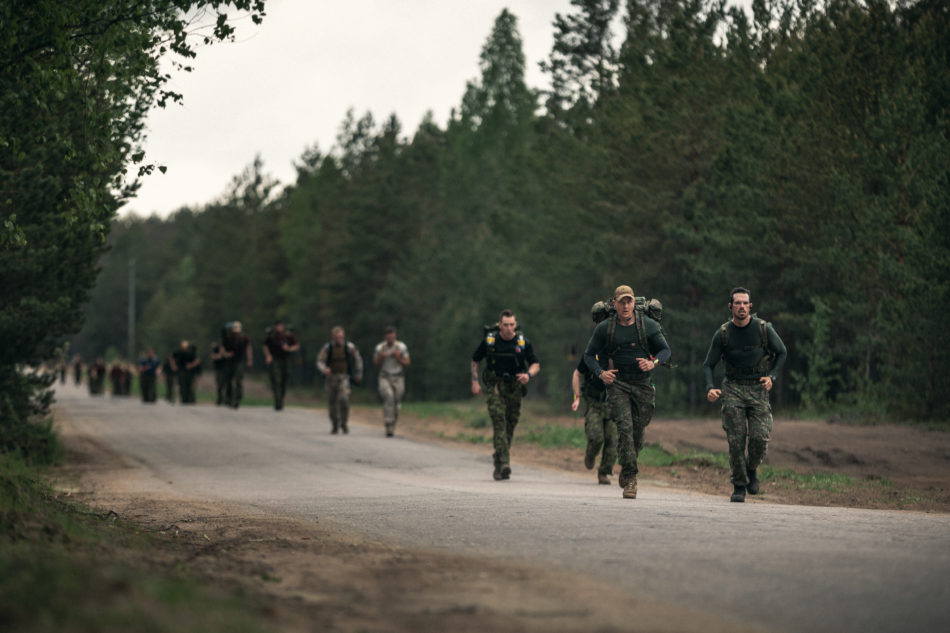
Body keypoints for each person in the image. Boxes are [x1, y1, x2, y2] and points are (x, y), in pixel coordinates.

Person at [583, 285, 671, 499]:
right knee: (624, 429)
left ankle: (626, 464)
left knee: (637, 434)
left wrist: (653, 363)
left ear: (634, 303)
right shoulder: (605, 328)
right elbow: (588, 355)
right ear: (614, 303)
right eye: (621, 301)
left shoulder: (647, 325)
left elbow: (665, 350)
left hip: (642, 384)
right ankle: (631, 478)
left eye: (629, 301)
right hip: (618, 384)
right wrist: (601, 373)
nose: (625, 305)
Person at [703, 287, 788, 503]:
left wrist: (773, 377)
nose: (742, 307)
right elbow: (707, 365)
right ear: (730, 307)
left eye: (745, 303)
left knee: (760, 437)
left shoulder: (763, 329)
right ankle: (739, 485)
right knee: (736, 441)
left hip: (758, 388)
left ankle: (751, 469)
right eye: (738, 303)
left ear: (751, 306)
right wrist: (709, 387)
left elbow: (782, 352)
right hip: (733, 389)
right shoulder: (722, 333)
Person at [471, 309, 541, 481]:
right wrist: (474, 381)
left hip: (515, 388)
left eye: (511, 325)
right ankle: (504, 464)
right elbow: (475, 360)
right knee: (499, 421)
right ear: (500, 325)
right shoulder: (490, 341)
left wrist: (528, 375)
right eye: (505, 325)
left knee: (510, 424)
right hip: (496, 386)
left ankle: (498, 460)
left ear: (515, 325)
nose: (509, 328)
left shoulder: (523, 342)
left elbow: (535, 364)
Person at [571, 304, 617, 485]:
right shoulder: (592, 353)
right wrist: (576, 397)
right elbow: (577, 374)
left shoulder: (618, 351)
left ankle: (604, 472)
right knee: (596, 437)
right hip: (594, 402)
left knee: (612, 441)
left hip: (613, 402)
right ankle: (590, 455)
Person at [316, 326, 363, 434]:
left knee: (344, 399)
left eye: (340, 337)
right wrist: (324, 369)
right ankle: (335, 424)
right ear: (333, 337)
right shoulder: (328, 348)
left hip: (344, 377)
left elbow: (358, 359)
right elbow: (319, 361)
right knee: (332, 402)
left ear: (343, 336)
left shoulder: (349, 347)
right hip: (331, 377)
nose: (338, 339)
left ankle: (344, 423)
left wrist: (358, 373)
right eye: (336, 337)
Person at [373, 326, 410, 437]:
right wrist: (381, 357)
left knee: (396, 401)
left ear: (395, 336)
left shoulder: (401, 347)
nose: (390, 339)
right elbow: (375, 362)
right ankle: (388, 423)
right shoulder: (380, 347)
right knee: (389, 397)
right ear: (385, 337)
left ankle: (392, 425)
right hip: (385, 376)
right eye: (388, 337)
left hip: (398, 377)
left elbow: (407, 363)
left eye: (392, 336)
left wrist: (398, 358)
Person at [263, 320, 300, 411]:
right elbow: (265, 345)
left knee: (284, 380)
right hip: (275, 359)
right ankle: (278, 402)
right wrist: (268, 356)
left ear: (283, 326)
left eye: (280, 326)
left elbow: (296, 346)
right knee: (276, 380)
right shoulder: (271, 336)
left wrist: (289, 348)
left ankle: (281, 399)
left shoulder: (288, 335)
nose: (279, 327)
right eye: (277, 326)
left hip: (286, 360)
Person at [222, 321, 253, 409]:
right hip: (230, 361)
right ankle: (229, 398)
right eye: (235, 328)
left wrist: (249, 359)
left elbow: (248, 348)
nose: (236, 330)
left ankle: (237, 399)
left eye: (238, 328)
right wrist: (226, 354)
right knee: (229, 380)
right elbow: (222, 348)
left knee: (238, 380)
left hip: (239, 361)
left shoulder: (244, 338)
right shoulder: (228, 337)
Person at [171, 340, 201, 404]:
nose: (184, 348)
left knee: (190, 386)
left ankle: (191, 399)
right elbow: (171, 357)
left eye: (185, 347)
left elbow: (197, 360)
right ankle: (184, 399)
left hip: (190, 372)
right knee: (182, 385)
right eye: (183, 346)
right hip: (181, 371)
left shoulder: (191, 353)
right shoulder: (178, 352)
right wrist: (173, 366)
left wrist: (191, 365)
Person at [210, 340, 227, 406]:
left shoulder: (222, 351)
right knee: (219, 385)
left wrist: (221, 354)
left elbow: (221, 356)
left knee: (224, 385)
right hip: (218, 370)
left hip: (223, 370)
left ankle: (225, 399)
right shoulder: (215, 352)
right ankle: (220, 399)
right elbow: (215, 356)